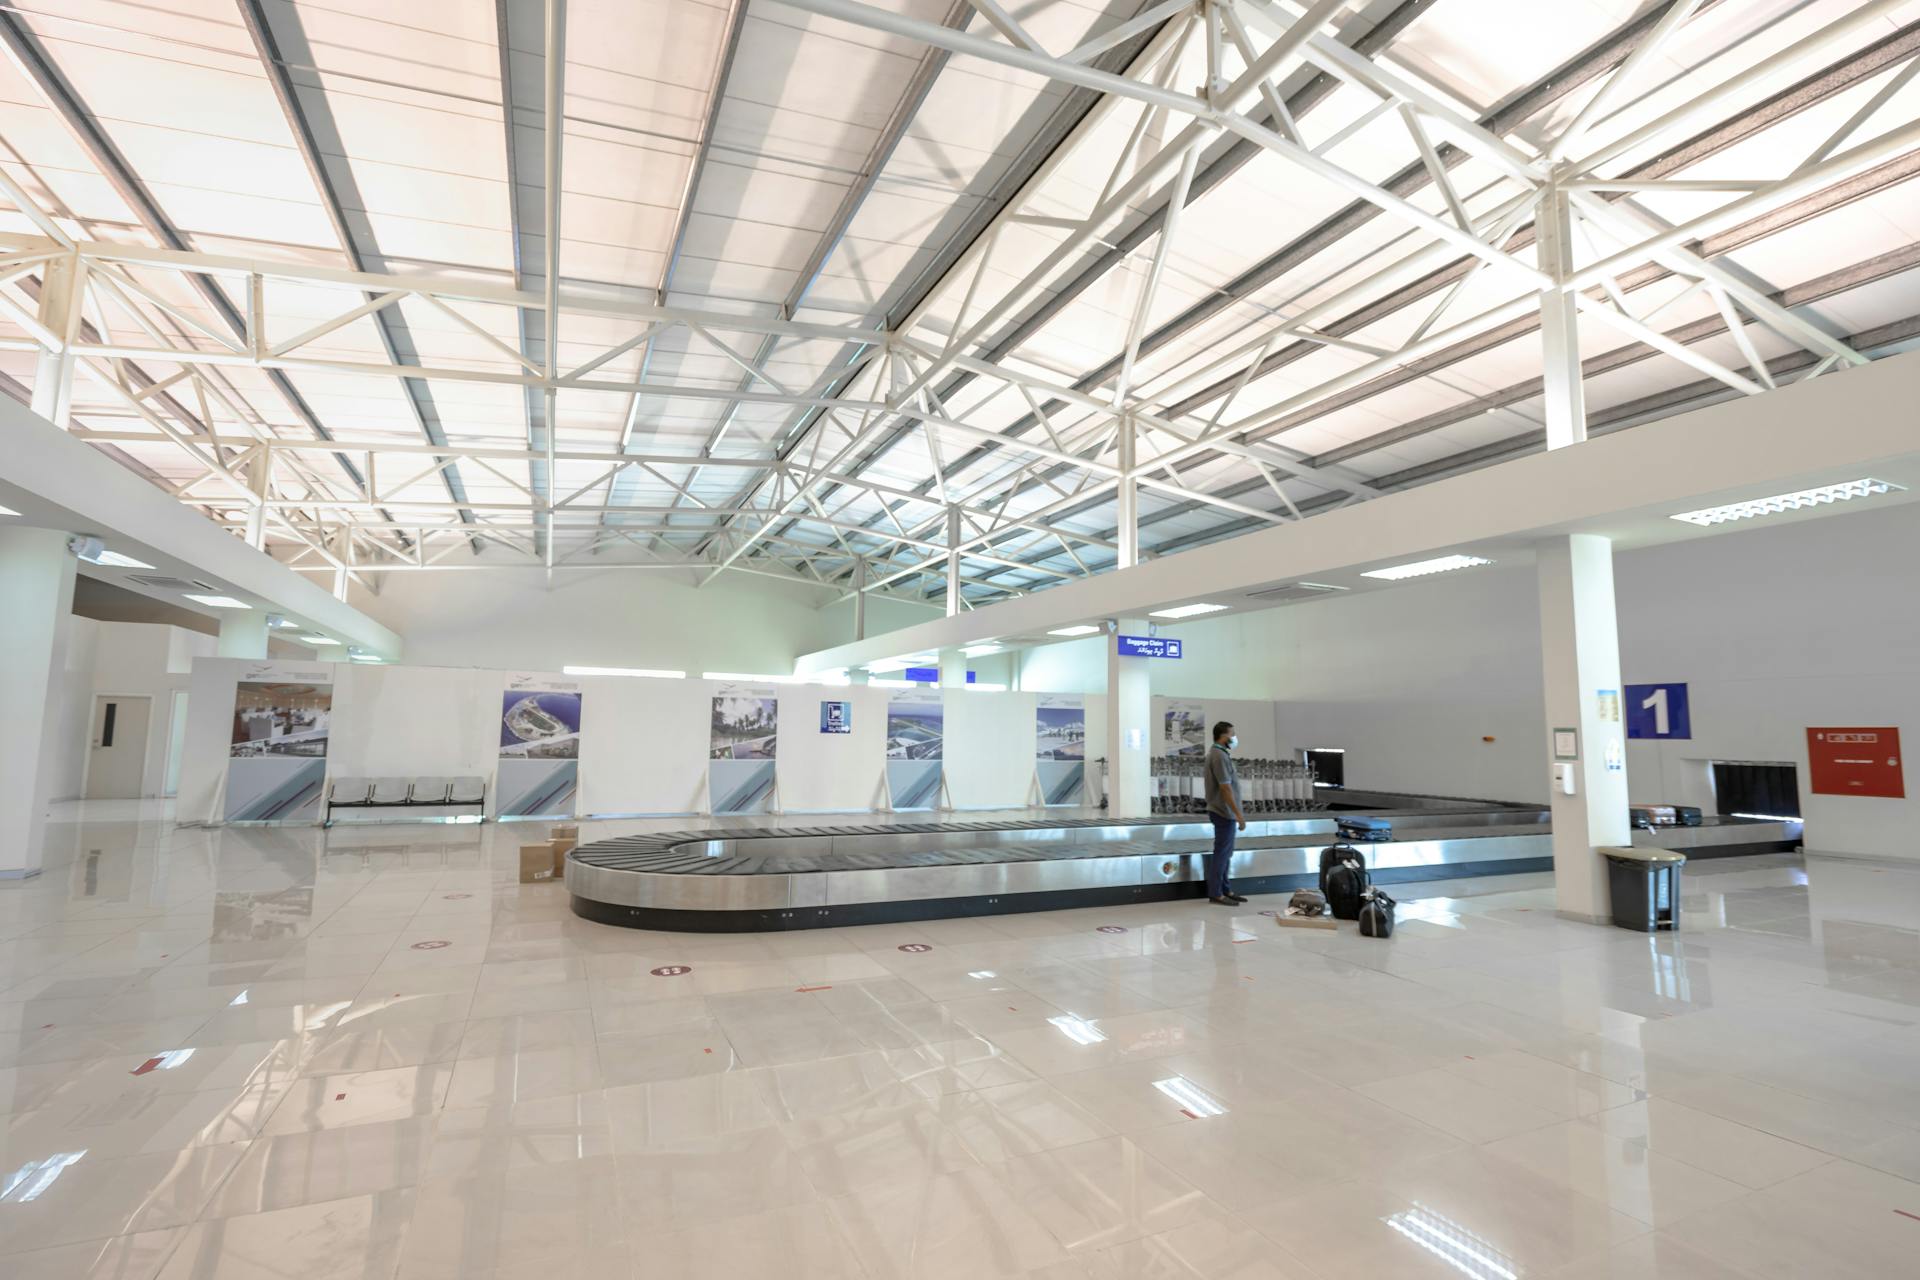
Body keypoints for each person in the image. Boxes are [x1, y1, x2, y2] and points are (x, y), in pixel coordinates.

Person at [1204, 721, 1247, 905]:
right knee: (1221, 854)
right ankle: (1216, 893)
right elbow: (1225, 788)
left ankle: (1225, 889)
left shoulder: (1219, 754)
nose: (1234, 737)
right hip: (1223, 812)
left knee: (1226, 853)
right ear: (1224, 736)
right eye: (1232, 733)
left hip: (1224, 811)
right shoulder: (1218, 756)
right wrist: (1238, 814)